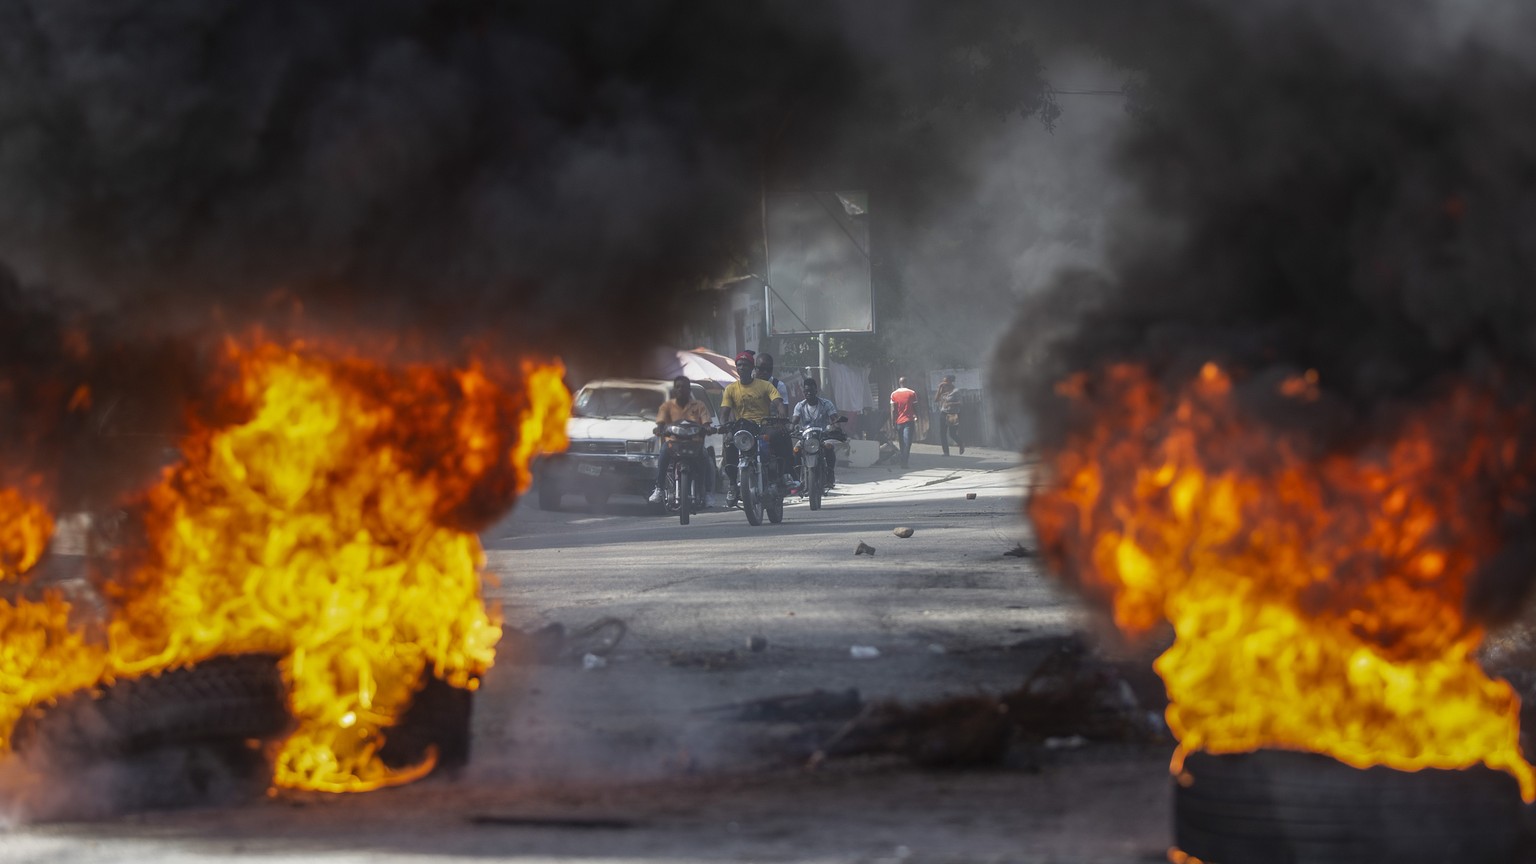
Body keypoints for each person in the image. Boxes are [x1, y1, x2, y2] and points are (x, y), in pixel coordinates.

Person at [719, 351, 784, 505]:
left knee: (779, 436)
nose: (742, 368)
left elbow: (779, 403)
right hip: (742, 428)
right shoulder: (730, 389)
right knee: (728, 442)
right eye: (739, 365)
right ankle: (733, 484)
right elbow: (724, 414)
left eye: (745, 365)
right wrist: (725, 427)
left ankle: (782, 476)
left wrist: (782, 417)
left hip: (762, 426)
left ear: (752, 368)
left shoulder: (765, 385)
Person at [650, 376, 713, 504]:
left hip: (695, 444)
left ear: (689, 389)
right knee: (662, 454)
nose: (680, 390)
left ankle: (707, 494)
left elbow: (706, 424)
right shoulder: (666, 406)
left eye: (683, 387)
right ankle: (659, 489)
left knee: (708, 462)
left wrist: (707, 428)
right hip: (673, 444)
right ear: (674, 390)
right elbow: (660, 424)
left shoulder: (699, 405)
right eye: (678, 387)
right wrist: (659, 429)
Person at [792, 377, 844, 488]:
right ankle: (797, 478)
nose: (809, 393)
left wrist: (836, 427)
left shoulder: (826, 404)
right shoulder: (799, 406)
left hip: (823, 436)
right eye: (806, 391)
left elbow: (834, 419)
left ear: (816, 390)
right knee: (796, 450)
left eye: (811, 391)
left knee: (829, 447)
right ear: (803, 392)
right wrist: (792, 427)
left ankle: (830, 473)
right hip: (805, 437)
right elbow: (794, 421)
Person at [889, 376, 921, 469]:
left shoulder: (893, 394)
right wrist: (917, 416)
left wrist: (892, 422)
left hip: (898, 421)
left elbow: (893, 410)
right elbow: (915, 407)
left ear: (899, 383)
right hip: (908, 420)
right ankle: (904, 461)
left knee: (902, 442)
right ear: (906, 382)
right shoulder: (912, 393)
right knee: (907, 442)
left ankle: (903, 460)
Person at [934, 374, 965, 456]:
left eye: (945, 381)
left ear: (950, 382)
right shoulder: (944, 390)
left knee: (952, 434)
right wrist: (939, 389)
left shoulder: (956, 391)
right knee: (942, 433)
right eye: (943, 381)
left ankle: (961, 443)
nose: (944, 383)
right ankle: (946, 452)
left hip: (952, 414)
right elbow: (936, 400)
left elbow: (960, 403)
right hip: (943, 413)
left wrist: (951, 403)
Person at [756, 353, 791, 419]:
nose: (765, 372)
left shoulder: (779, 385)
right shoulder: (749, 384)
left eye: (768, 369)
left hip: (772, 424)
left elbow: (785, 412)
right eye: (762, 369)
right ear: (755, 368)